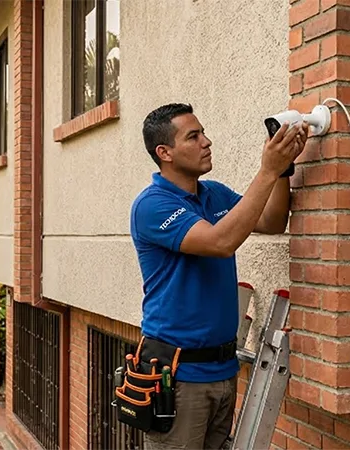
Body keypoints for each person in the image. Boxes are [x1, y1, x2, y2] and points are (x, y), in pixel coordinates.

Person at [129, 103, 307, 449]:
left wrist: (283, 170)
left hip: (224, 369)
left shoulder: (215, 194)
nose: (206, 141)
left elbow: (271, 221)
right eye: (193, 137)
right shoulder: (153, 205)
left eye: (203, 132)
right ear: (164, 152)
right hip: (179, 378)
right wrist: (267, 171)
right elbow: (221, 241)